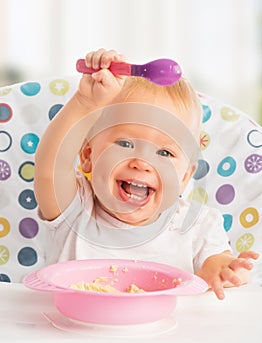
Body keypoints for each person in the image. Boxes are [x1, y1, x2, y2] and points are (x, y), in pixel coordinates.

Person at [34, 48, 259, 300]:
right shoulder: (74, 209)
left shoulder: (197, 226)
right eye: (125, 144)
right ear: (87, 156)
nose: (142, 163)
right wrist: (85, 102)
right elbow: (49, 167)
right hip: (69, 333)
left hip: (165, 338)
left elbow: (221, 266)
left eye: (164, 153)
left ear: (185, 177)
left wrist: (223, 272)